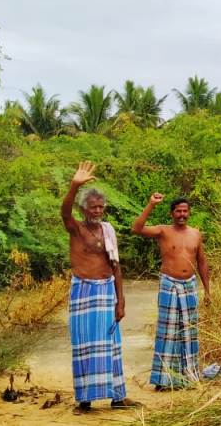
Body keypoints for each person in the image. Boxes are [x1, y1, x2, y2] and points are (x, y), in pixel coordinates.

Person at [60, 161, 140, 414]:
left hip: (107, 292)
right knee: (84, 346)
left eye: (100, 206)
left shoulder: (108, 230)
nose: (97, 210)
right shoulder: (76, 229)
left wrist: (121, 300)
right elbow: (63, 213)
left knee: (111, 345)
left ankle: (117, 397)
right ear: (83, 209)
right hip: (83, 291)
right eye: (93, 206)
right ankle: (84, 401)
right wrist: (74, 186)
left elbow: (116, 266)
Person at [132, 194, 211, 390]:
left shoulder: (196, 233)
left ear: (189, 212)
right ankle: (163, 379)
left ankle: (188, 375)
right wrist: (151, 204)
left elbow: (202, 262)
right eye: (178, 211)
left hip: (190, 285)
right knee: (168, 332)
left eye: (185, 211)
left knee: (188, 331)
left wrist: (208, 290)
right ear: (172, 213)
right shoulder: (163, 231)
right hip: (169, 283)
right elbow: (137, 228)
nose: (182, 214)